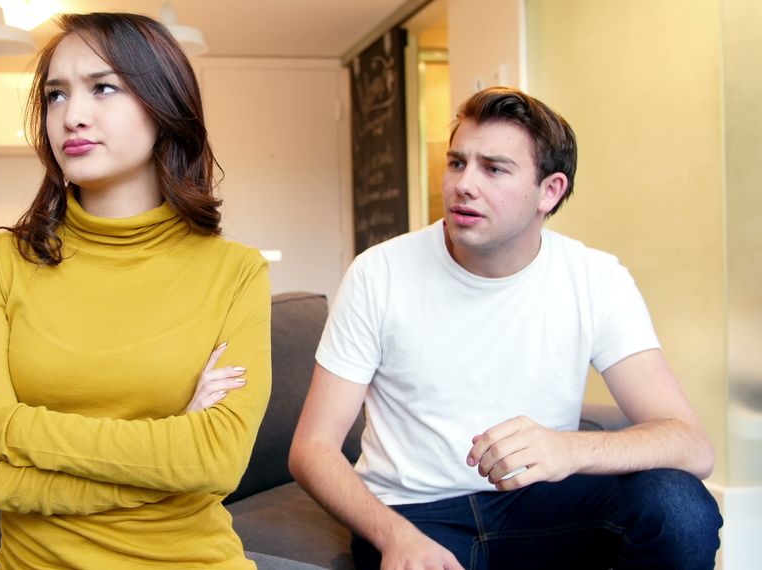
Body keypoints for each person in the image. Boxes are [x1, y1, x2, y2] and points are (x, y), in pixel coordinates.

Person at [288, 87, 722, 570]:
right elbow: (313, 448)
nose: (462, 185)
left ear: (549, 191)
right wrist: (395, 538)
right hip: (414, 515)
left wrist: (569, 448)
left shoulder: (595, 279)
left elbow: (691, 445)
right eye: (457, 163)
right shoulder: (379, 273)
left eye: (493, 168)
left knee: (678, 503)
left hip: (538, 504)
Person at [0, 13, 274, 569]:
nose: (72, 116)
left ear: (164, 108)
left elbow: (217, 461)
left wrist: (2, 426)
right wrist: (171, 453)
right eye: (56, 95)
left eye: (103, 87)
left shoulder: (236, 272)